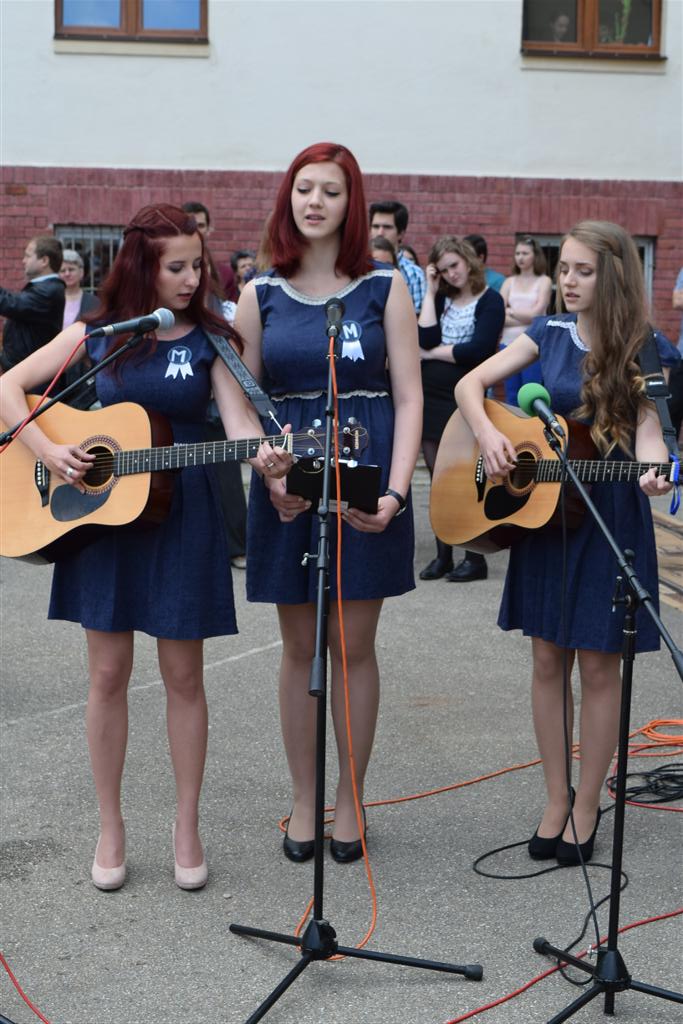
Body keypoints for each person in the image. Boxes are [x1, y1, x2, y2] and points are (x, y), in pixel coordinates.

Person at [0, 204, 288, 890]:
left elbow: (240, 422)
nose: (192, 279)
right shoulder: (100, 334)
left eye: (197, 264)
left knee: (184, 677)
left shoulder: (214, 340)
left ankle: (186, 825)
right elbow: (8, 387)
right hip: (101, 517)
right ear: (141, 268)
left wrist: (269, 461)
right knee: (106, 675)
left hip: (183, 512)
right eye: (176, 267)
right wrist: (48, 448)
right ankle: (111, 826)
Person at [454, 220, 680, 866]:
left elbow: (650, 432)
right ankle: (555, 797)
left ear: (614, 276)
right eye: (564, 269)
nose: (568, 281)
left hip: (609, 519)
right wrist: (489, 434)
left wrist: (655, 467)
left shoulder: (647, 350)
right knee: (547, 661)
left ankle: (587, 805)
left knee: (600, 667)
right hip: (544, 516)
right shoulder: (546, 333)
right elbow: (470, 385)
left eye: (583, 270)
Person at [235, 142, 422, 863]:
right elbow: (242, 400)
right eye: (304, 188)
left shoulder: (384, 287)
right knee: (298, 647)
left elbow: (409, 398)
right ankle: (303, 796)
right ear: (288, 198)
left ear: (352, 203)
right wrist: (267, 473)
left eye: (331, 191)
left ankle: (350, 797)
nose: (315, 201)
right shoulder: (260, 292)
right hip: (289, 478)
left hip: (366, 467)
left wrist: (397, 492)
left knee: (353, 645)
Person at [418, 235, 504, 582]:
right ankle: (443, 556)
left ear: (468, 260)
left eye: (454, 265)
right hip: (431, 399)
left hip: (466, 398)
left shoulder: (491, 300)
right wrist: (429, 291)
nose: (450, 274)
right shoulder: (441, 299)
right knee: (439, 480)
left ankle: (474, 556)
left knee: (469, 478)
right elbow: (424, 337)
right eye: (442, 270)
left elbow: (478, 351)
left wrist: (432, 353)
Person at [499, 236, 553, 404]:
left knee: (531, 393)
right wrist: (527, 318)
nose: (520, 257)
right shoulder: (509, 282)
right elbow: (499, 314)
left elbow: (537, 314)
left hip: (533, 344)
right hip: (508, 344)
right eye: (517, 253)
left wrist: (511, 311)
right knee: (511, 394)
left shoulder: (544, 281)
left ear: (535, 255)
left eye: (525, 253)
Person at [0, 235, 65, 373]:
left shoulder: (49, 291)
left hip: (32, 377)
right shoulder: (44, 287)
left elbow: (10, 304)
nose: (23, 261)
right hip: (24, 371)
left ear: (44, 261)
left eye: (28, 256)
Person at [58, 249, 100, 409]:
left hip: (82, 367)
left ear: (81, 272)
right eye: (62, 270)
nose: (67, 273)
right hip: (55, 366)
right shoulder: (51, 299)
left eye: (71, 269)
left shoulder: (94, 302)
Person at [369, 200, 427, 314]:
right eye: (375, 226)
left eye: (387, 227)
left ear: (401, 233)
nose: (380, 232)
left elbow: (416, 319)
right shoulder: (355, 267)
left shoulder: (414, 274)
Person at [181, 200, 238, 301]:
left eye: (201, 225)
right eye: (190, 225)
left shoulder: (225, 274)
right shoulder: (169, 272)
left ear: (208, 229)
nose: (196, 230)